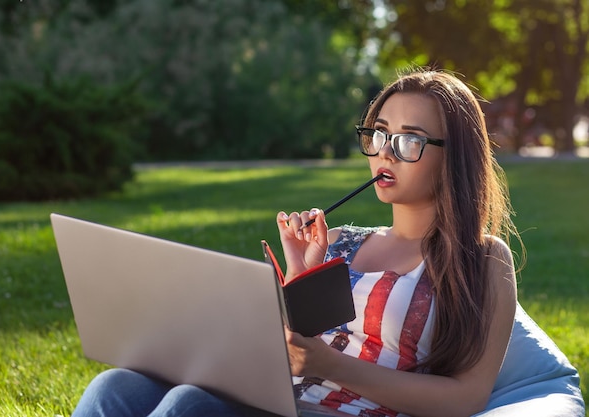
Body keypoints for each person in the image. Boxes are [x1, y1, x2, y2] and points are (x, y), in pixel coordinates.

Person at [71, 69, 584, 417]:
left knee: (188, 405)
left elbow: (466, 397)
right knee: (114, 387)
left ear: (454, 156)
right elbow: (291, 354)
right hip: (284, 399)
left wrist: (331, 367)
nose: (385, 152)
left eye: (409, 140)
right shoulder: (340, 241)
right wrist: (299, 275)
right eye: (379, 134)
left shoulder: (481, 257)